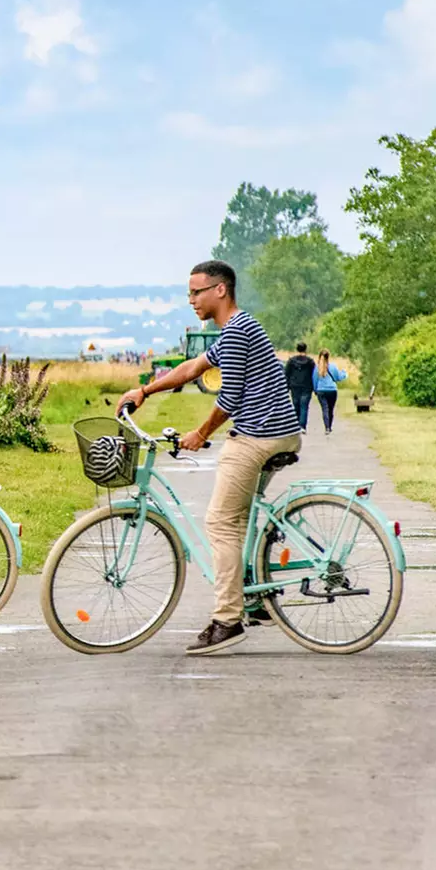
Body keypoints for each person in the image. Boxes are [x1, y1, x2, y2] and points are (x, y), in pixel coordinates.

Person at [118, 259, 300, 656]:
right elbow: (191, 368)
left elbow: (229, 398)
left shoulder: (236, 332)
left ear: (220, 290)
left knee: (220, 522)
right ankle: (253, 598)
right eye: (188, 294)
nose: (191, 301)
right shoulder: (237, 328)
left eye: (196, 292)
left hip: (257, 437)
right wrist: (145, 391)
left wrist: (200, 434)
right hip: (279, 432)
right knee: (241, 515)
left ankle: (227, 619)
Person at [312, 349, 348, 435]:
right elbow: (338, 377)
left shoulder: (317, 368)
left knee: (325, 409)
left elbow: (315, 380)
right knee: (330, 409)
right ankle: (330, 426)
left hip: (321, 390)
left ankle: (327, 427)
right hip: (332, 390)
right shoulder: (333, 367)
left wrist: (315, 389)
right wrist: (344, 373)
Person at [284, 342, 317, 432]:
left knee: (296, 405)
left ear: (297, 349)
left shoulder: (291, 361)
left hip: (295, 386)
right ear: (305, 349)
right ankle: (302, 426)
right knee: (304, 406)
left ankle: (296, 425)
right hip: (307, 386)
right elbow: (314, 375)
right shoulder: (310, 362)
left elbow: (287, 374)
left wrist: (286, 387)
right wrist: (315, 387)